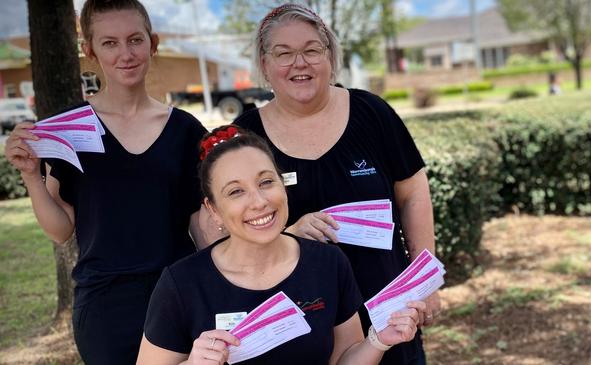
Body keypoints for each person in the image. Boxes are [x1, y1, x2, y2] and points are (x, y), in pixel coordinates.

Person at [233, 3, 441, 364]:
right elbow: (228, 223)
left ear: (331, 55)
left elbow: (413, 194)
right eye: (283, 53)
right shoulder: (245, 134)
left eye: (312, 50)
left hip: (387, 308)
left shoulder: (372, 113)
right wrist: (287, 233)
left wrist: (425, 280)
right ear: (265, 65)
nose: (300, 63)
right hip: (297, 323)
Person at [3, 0, 208, 363]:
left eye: (134, 40)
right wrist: (31, 176)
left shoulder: (186, 131)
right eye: (109, 43)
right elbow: (60, 230)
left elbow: (201, 225)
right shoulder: (68, 130)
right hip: (104, 307)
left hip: (178, 298)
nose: (125, 54)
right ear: (90, 51)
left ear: (153, 43)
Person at [137, 125, 424, 365]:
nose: (259, 201)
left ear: (283, 185)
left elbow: (343, 359)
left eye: (266, 182)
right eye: (236, 191)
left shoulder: (328, 263)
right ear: (213, 209)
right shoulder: (182, 284)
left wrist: (379, 340)